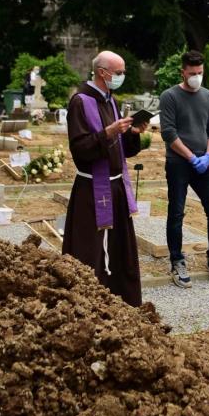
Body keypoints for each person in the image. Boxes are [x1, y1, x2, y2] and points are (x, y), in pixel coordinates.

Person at [62, 51, 147, 305]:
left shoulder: (111, 100)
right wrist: (108, 132)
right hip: (91, 187)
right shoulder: (80, 101)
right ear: (103, 72)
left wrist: (132, 133)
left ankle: (121, 298)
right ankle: (86, 301)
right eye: (119, 72)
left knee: (120, 246)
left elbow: (124, 149)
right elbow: (79, 149)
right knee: (89, 249)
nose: (121, 76)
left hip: (116, 184)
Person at [160, 50, 209, 288]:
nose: (196, 77)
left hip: (205, 162)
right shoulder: (170, 96)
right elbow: (168, 133)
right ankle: (177, 260)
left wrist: (208, 155)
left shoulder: (207, 96)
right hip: (179, 162)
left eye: (199, 73)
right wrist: (190, 157)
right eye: (192, 73)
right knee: (176, 211)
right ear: (183, 72)